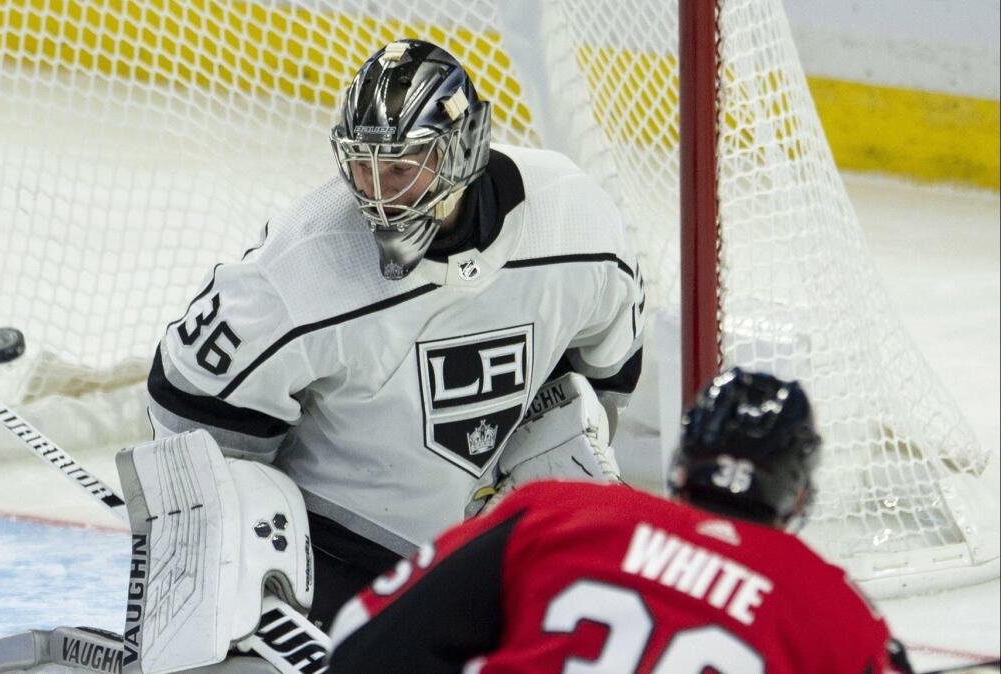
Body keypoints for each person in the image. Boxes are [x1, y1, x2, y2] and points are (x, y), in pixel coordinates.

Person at [146, 38, 645, 628]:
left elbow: (606, 379)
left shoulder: (575, 221)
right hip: (336, 555)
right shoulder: (300, 270)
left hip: (493, 542)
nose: (377, 195)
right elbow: (186, 400)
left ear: (464, 150)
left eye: (401, 169)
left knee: (575, 444)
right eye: (363, 167)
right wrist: (227, 545)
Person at [325, 368, 917, 674]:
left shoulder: (562, 511)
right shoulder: (833, 605)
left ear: (685, 462)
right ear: (798, 492)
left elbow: (360, 644)